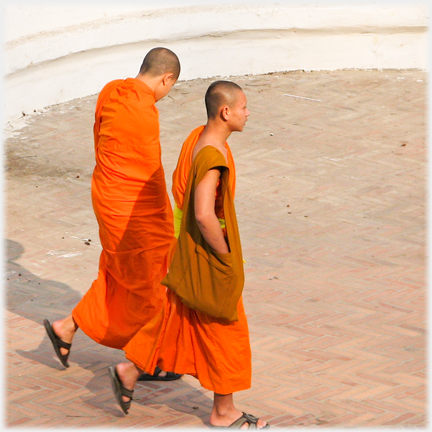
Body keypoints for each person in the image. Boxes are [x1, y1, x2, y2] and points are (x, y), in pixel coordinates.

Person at [109, 81, 269, 429]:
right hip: (206, 253)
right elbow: (203, 213)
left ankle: (130, 370)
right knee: (226, 328)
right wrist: (224, 256)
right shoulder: (213, 157)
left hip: (185, 248)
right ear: (226, 112)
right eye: (243, 107)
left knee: (179, 318)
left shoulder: (197, 138)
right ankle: (224, 412)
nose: (247, 112)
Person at [43, 47, 182, 381]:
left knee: (117, 273)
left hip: (106, 197)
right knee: (156, 283)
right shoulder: (144, 112)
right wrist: (166, 217)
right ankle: (142, 362)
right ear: (166, 79)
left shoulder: (111, 91)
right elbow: (149, 175)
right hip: (135, 213)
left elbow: (100, 142)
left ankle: (66, 327)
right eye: (169, 88)